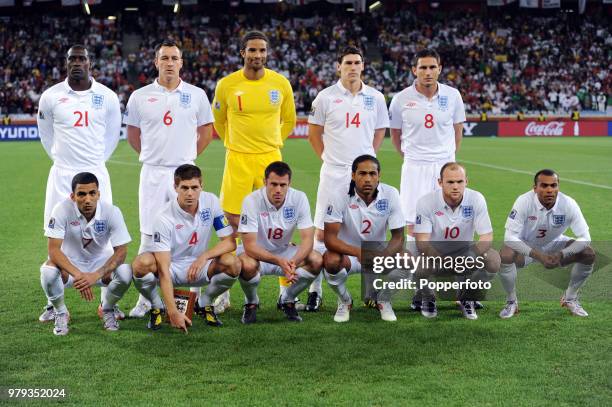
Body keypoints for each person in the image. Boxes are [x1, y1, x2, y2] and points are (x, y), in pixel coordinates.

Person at [124, 39, 214, 318]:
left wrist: (185, 161)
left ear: (181, 63)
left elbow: (207, 130)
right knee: (149, 234)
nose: (170, 63)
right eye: (165, 58)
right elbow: (133, 136)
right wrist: (156, 157)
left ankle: (193, 295)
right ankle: (147, 299)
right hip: (153, 173)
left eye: (175, 58)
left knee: (191, 232)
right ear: (156, 63)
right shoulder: (139, 96)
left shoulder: (197, 94)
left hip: (185, 173)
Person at [37, 44, 122, 323]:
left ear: (90, 63)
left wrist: (92, 165)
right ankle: (53, 303)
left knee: (104, 235)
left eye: (81, 58)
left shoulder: (107, 97)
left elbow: (111, 136)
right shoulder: (51, 97)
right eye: (72, 58)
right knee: (56, 237)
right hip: (62, 174)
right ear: (66, 63)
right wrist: (66, 163)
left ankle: (107, 303)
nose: (77, 63)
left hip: (96, 171)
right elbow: (46, 136)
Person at [212, 30, 296, 311]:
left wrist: (270, 145)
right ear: (242, 53)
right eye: (252, 50)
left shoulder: (280, 83)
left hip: (269, 159)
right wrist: (236, 145)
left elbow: (289, 121)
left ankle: (287, 292)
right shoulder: (226, 85)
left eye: (262, 50)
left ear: (267, 53)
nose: (257, 55)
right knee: (231, 224)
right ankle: (223, 290)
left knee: (279, 223)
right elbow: (219, 121)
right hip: (237, 159)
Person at [306, 45, 389, 311]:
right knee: (322, 232)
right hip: (333, 172)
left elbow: (379, 131)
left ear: (363, 66)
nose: (352, 67)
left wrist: (368, 159)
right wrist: (329, 160)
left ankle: (372, 291)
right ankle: (314, 290)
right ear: (338, 66)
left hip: (364, 175)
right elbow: (314, 134)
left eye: (357, 62)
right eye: (347, 63)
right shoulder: (325, 97)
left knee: (371, 230)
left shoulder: (375, 97)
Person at [388, 48, 466, 312]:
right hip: (414, 168)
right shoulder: (400, 99)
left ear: (440, 69)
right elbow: (396, 138)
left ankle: (459, 289)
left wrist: (444, 161)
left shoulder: (453, 96)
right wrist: (415, 158)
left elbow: (457, 133)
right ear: (414, 70)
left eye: (432, 67)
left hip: (444, 169)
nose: (428, 72)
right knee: (414, 229)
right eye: (423, 67)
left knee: (450, 225)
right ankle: (421, 289)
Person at [131, 164, 240, 332]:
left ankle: (204, 303)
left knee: (233, 263)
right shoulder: (163, 217)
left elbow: (230, 242)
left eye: (194, 187)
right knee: (141, 263)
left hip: (200, 266)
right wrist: (173, 312)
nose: (190, 193)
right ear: (175, 188)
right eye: (184, 188)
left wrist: (204, 257)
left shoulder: (211, 201)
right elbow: (163, 269)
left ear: (201, 187)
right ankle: (157, 306)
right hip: (171, 268)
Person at [40, 172, 132, 335]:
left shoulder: (112, 212)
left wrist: (96, 274)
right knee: (47, 271)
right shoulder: (61, 209)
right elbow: (53, 250)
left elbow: (121, 251)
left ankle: (107, 308)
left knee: (125, 272)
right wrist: (79, 274)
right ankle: (60, 312)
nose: (87, 199)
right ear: (73, 196)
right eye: (81, 194)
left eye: (92, 193)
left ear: (98, 194)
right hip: (70, 266)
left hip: (100, 264)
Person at [498, 169, 595, 319]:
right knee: (505, 254)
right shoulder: (524, 201)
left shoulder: (568, 203)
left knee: (588, 254)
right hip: (527, 246)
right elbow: (509, 237)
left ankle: (570, 298)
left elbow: (585, 237)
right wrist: (539, 256)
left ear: (558, 187)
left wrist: (561, 254)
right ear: (535, 188)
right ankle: (511, 301)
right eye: (544, 186)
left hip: (554, 243)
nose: (549, 190)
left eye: (553, 185)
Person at [412, 162, 500, 320]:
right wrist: (443, 259)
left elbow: (487, 237)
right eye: (450, 182)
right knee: (415, 261)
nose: (455, 186)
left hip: (464, 252)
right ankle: (427, 297)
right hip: (434, 254)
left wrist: (471, 254)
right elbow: (422, 242)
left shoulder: (476, 199)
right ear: (440, 182)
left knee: (493, 259)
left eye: (459, 182)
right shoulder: (426, 202)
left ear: (466, 181)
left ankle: (468, 297)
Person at [237, 162, 322, 324]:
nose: (278, 189)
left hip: (283, 251)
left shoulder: (298, 198)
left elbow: (307, 239)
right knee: (246, 264)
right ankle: (251, 302)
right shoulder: (251, 201)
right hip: (256, 253)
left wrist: (293, 262)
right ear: (265, 182)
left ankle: (287, 299)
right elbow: (249, 246)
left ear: (289, 184)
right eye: (273, 184)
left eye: (283, 185)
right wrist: (280, 262)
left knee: (316, 259)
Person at [323, 155, 405, 322]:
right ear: (353, 176)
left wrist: (385, 255)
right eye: (362, 173)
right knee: (330, 260)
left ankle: (383, 299)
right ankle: (345, 301)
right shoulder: (339, 194)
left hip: (378, 254)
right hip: (349, 254)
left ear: (379, 175)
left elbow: (398, 237)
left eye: (372, 173)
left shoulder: (390, 193)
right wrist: (358, 251)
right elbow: (329, 239)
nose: (368, 179)